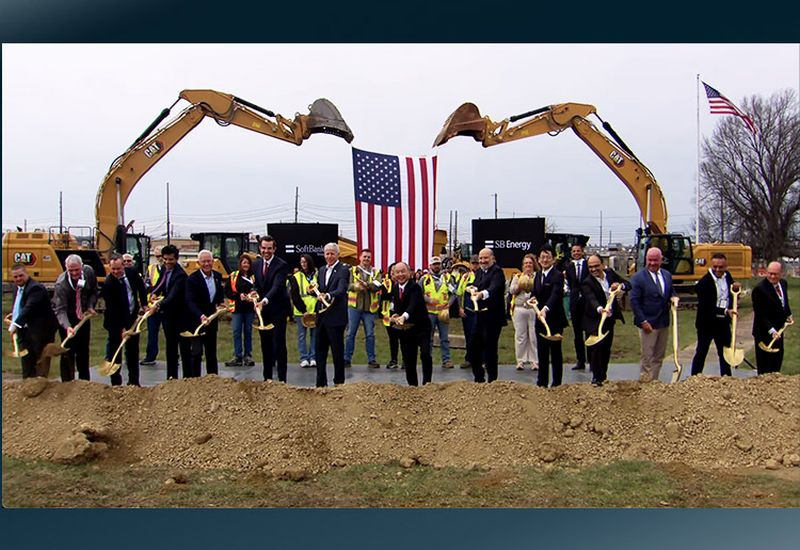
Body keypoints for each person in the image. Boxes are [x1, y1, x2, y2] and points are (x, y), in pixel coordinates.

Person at [630, 247, 679, 382]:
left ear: (661, 260)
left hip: (663, 322)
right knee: (647, 357)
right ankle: (645, 383)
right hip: (648, 323)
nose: (652, 263)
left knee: (658, 356)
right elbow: (634, 302)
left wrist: (674, 297)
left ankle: (654, 382)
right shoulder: (638, 278)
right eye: (650, 260)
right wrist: (643, 321)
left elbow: (671, 292)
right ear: (646, 260)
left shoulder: (667, 275)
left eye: (655, 260)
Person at [581, 254, 631, 386]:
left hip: (609, 320)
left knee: (606, 349)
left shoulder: (610, 274)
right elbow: (591, 298)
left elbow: (628, 284)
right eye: (590, 267)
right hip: (594, 320)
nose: (593, 269)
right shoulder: (587, 282)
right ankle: (596, 378)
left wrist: (620, 286)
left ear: (602, 265)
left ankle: (603, 376)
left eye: (596, 266)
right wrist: (600, 309)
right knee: (596, 348)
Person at [101, 253, 147, 386]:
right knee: (115, 352)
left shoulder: (132, 273)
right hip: (115, 323)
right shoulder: (109, 284)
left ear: (123, 266)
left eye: (118, 269)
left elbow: (141, 288)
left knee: (133, 351)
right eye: (113, 269)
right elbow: (112, 310)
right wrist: (122, 329)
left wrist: (144, 304)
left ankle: (133, 382)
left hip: (132, 318)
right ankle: (116, 383)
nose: (115, 272)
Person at [690, 253, 740, 377]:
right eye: (715, 267)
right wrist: (724, 311)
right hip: (707, 323)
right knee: (702, 351)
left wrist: (736, 291)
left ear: (725, 266)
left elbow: (731, 294)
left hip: (722, 323)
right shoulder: (704, 282)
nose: (718, 270)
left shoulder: (727, 276)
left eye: (721, 267)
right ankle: (695, 377)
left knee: (724, 351)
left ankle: (726, 377)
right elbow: (706, 306)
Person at [5, 264, 58, 379]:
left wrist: (15, 324)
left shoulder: (35, 288)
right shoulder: (17, 287)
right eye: (15, 277)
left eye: (21, 276)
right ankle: (28, 383)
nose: (18, 279)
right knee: (26, 358)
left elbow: (29, 307)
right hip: (25, 330)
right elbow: (19, 305)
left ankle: (41, 386)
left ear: (26, 274)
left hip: (41, 330)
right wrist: (14, 316)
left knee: (40, 360)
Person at [147, 244, 192, 380]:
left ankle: (187, 379)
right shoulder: (164, 271)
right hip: (168, 317)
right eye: (165, 259)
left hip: (181, 317)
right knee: (171, 348)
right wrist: (153, 294)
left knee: (184, 349)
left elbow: (173, 296)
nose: (167, 262)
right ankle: (171, 379)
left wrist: (158, 305)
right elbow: (160, 286)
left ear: (176, 259)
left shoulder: (180, 275)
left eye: (170, 259)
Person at [52, 254, 99, 381]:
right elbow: (60, 310)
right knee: (67, 352)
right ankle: (67, 384)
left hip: (83, 317)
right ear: (66, 268)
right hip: (67, 318)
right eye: (70, 270)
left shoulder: (88, 272)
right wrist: (68, 327)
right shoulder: (61, 284)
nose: (74, 273)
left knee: (83, 352)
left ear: (82, 267)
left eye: (76, 270)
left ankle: (84, 384)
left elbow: (94, 291)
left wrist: (90, 306)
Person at [388, 262, 433, 386]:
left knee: (425, 354)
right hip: (406, 330)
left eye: (403, 271)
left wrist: (404, 316)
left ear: (409, 272)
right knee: (408, 358)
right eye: (397, 272)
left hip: (421, 327)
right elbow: (394, 306)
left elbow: (412, 306)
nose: (400, 274)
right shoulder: (395, 288)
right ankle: (412, 386)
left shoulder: (415, 287)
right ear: (394, 274)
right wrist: (394, 315)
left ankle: (427, 383)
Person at [253, 235, 290, 382]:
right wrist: (254, 292)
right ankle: (267, 378)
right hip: (264, 312)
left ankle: (282, 380)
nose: (266, 251)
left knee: (279, 344)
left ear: (274, 249)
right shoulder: (256, 265)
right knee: (265, 345)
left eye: (269, 248)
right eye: (263, 248)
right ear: (260, 248)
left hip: (278, 310)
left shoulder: (281, 265)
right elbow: (257, 284)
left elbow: (277, 286)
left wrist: (264, 300)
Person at [467, 248, 507, 383]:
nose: (483, 261)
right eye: (481, 258)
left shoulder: (497, 272)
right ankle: (479, 378)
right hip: (480, 317)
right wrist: (470, 288)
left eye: (486, 258)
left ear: (492, 258)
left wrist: (481, 294)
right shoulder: (479, 272)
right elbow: (475, 285)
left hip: (493, 318)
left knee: (490, 349)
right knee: (473, 348)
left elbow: (494, 288)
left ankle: (492, 381)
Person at [184, 249, 224, 377]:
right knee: (196, 352)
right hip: (196, 321)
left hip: (211, 321)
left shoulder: (217, 276)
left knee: (211, 352)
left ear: (213, 261)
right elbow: (190, 301)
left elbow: (218, 296)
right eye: (204, 262)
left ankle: (213, 379)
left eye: (209, 261)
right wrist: (200, 316)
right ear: (198, 263)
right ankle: (195, 381)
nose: (207, 264)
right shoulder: (192, 279)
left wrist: (221, 304)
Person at [315, 242, 350, 387]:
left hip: (336, 317)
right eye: (327, 253)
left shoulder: (343, 269)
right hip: (321, 316)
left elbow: (341, 290)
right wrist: (314, 292)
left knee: (337, 351)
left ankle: (339, 382)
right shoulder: (322, 270)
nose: (329, 256)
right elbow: (319, 287)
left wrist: (328, 295)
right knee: (320, 351)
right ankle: (320, 382)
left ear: (337, 254)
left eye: (332, 253)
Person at [532, 245, 568, 388]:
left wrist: (546, 309)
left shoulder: (557, 275)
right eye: (542, 257)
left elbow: (555, 295)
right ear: (539, 260)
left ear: (553, 259)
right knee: (542, 352)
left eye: (548, 257)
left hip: (554, 320)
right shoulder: (538, 275)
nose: (545, 260)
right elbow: (535, 292)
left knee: (555, 352)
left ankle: (557, 383)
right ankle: (542, 382)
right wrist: (533, 300)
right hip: (540, 319)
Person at [751, 261, 793, 374]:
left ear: (781, 273)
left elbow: (784, 303)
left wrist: (788, 315)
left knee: (776, 363)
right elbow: (760, 314)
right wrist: (772, 331)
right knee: (765, 368)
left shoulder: (783, 284)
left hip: (779, 330)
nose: (772, 276)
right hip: (764, 332)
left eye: (775, 274)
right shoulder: (759, 289)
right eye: (770, 273)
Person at [344, 249, 382, 369]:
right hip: (354, 307)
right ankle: (346, 359)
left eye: (368, 257)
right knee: (350, 334)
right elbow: (346, 285)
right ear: (359, 258)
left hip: (369, 308)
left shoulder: (376, 272)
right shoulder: (352, 270)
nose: (366, 259)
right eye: (364, 257)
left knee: (370, 334)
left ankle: (371, 359)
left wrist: (368, 286)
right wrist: (356, 287)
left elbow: (378, 285)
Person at [419, 256, 456, 369]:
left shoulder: (447, 278)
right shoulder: (424, 279)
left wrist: (449, 304)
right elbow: (418, 293)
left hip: (443, 312)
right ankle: (428, 359)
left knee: (444, 338)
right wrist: (428, 299)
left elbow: (454, 293)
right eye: (434, 264)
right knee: (428, 337)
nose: (436, 266)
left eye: (438, 264)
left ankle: (446, 359)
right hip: (429, 312)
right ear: (430, 266)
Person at [508, 253, 540, 371]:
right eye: (526, 263)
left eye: (530, 263)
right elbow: (511, 290)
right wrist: (520, 286)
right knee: (520, 335)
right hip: (520, 308)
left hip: (533, 309)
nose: (528, 265)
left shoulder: (537, 276)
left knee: (533, 335)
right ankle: (520, 360)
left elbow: (540, 291)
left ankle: (534, 361)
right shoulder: (517, 276)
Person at [224, 254, 256, 367]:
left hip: (249, 309)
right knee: (237, 332)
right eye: (244, 263)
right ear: (240, 264)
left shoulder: (254, 277)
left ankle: (248, 355)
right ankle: (237, 356)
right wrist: (238, 296)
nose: (246, 265)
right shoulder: (233, 276)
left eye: (247, 263)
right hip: (237, 308)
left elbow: (258, 290)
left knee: (248, 332)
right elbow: (227, 291)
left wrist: (253, 295)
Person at [288, 253, 318, 368]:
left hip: (314, 311)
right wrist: (303, 310)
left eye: (305, 262)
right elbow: (294, 295)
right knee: (302, 335)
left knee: (314, 335)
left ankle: (313, 357)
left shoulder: (316, 275)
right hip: (301, 312)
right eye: (302, 262)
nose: (303, 264)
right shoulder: (296, 276)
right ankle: (304, 358)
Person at [564, 243, 589, 371]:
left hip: (587, 302)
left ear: (582, 252)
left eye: (578, 251)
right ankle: (580, 360)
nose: (576, 253)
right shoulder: (569, 267)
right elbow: (568, 283)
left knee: (589, 332)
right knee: (577, 334)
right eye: (574, 251)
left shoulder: (588, 265)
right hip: (574, 303)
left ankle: (592, 360)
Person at [141, 246, 164, 366]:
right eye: (157, 256)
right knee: (152, 332)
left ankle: (175, 357)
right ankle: (150, 356)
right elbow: (146, 284)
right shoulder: (151, 269)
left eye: (161, 256)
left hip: (165, 305)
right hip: (152, 306)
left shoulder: (171, 269)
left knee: (171, 333)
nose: (160, 259)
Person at [456, 255, 480, 369]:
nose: (475, 266)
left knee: (481, 335)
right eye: (473, 263)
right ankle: (469, 359)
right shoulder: (465, 277)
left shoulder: (484, 276)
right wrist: (460, 308)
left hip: (480, 311)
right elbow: (459, 294)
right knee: (469, 335)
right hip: (468, 312)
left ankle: (482, 359)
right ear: (470, 264)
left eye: (477, 263)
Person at [380, 263, 401, 369]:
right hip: (388, 315)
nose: (394, 273)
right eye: (392, 271)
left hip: (402, 315)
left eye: (396, 270)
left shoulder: (404, 283)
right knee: (393, 338)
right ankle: (394, 360)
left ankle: (406, 361)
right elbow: (383, 296)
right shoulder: (386, 283)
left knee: (404, 338)